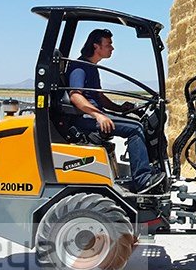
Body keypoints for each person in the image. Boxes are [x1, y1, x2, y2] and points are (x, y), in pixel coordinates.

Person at [67, 28, 164, 193]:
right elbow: (76, 96)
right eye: (108, 44)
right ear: (96, 46)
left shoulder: (91, 67)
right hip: (85, 118)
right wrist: (98, 115)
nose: (112, 48)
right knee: (135, 129)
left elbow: (99, 97)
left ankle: (149, 169)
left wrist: (119, 108)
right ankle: (143, 181)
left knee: (139, 122)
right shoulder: (79, 67)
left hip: (92, 115)